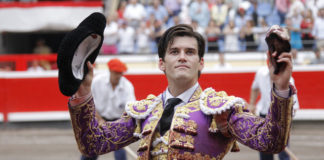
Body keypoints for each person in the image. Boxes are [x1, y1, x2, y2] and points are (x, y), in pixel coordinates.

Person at [68, 24, 295, 159]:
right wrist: (83, 94)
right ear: (161, 63)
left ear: (201, 62)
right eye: (174, 51)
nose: (183, 56)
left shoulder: (221, 109)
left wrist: (281, 88)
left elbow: (270, 142)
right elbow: (92, 144)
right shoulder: (145, 112)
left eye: (190, 51)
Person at [80, 58, 135, 160]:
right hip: (98, 119)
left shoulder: (127, 86)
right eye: (116, 73)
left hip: (118, 121)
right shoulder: (97, 82)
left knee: (119, 150)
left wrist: (119, 125)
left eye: (120, 73)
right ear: (110, 71)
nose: (119, 75)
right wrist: (99, 120)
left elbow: (130, 109)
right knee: (92, 148)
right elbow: (88, 103)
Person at [249, 65, 299, 160]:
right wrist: (252, 103)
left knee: (283, 150)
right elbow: (255, 88)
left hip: (282, 119)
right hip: (264, 116)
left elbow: (293, 108)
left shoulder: (288, 81)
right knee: (264, 148)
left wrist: (280, 127)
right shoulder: (261, 73)